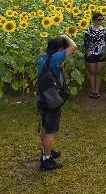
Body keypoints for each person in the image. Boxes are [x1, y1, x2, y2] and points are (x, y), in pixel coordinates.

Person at [37, 35, 77, 171]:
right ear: (59, 49)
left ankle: (46, 151)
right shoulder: (56, 58)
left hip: (43, 97)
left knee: (44, 125)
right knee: (50, 130)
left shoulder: (43, 59)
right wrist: (64, 37)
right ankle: (46, 160)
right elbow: (74, 47)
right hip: (52, 100)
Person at [83, 13, 106, 99]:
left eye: (102, 19)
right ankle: (92, 91)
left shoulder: (105, 30)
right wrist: (87, 51)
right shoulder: (89, 29)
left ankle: (97, 91)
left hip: (101, 54)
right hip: (91, 53)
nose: (100, 21)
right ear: (94, 20)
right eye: (99, 19)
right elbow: (85, 41)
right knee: (92, 73)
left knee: (98, 73)